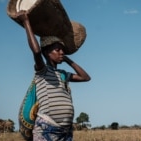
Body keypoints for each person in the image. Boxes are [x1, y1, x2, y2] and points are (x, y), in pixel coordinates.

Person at [16, 10, 91, 141]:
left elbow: (85, 77)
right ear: (47, 52)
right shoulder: (42, 72)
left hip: (65, 131)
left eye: (62, 50)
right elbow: (36, 52)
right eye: (57, 50)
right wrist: (26, 22)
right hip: (47, 130)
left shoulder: (63, 75)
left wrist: (67, 59)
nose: (61, 52)